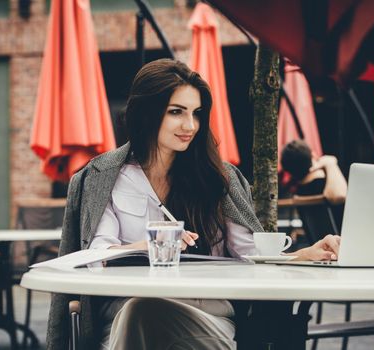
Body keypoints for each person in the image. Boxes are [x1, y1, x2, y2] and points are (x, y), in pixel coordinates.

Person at [47, 59, 340, 350]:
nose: (190, 125)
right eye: (176, 112)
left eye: (196, 113)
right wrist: (145, 246)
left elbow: (252, 255)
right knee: (141, 310)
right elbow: (96, 256)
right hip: (123, 316)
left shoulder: (217, 178)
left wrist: (304, 255)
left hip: (206, 316)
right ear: (146, 113)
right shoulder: (105, 177)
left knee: (145, 312)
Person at [281, 140, 347, 204]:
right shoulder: (323, 184)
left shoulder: (298, 191)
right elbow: (340, 195)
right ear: (313, 156)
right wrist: (330, 164)